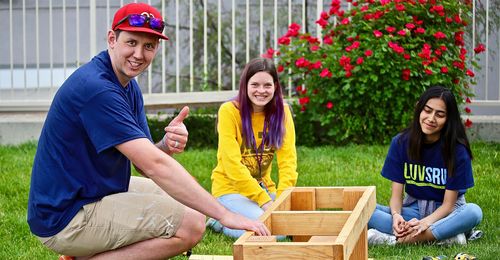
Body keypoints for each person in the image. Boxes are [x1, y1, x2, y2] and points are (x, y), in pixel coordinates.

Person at [27, 3, 270, 259]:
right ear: (112, 39)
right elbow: (155, 166)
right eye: (131, 42)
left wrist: (165, 144)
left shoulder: (126, 85)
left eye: (149, 46)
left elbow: (146, 160)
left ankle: (86, 251)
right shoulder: (97, 89)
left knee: (189, 204)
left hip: (94, 191)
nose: (139, 54)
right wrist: (226, 214)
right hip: (66, 216)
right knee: (192, 225)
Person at [367, 86, 483, 246]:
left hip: (447, 213)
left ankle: (395, 241)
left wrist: (425, 223)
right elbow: (396, 196)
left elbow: (448, 204)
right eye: (427, 111)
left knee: (474, 212)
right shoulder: (401, 143)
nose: (431, 118)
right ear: (419, 109)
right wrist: (396, 216)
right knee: (364, 212)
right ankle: (446, 236)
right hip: (414, 210)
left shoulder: (457, 150)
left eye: (440, 114)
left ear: (448, 119)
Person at [206, 57, 298, 238]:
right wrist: (264, 202)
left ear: (275, 87)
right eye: (255, 84)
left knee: (295, 221)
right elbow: (231, 165)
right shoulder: (229, 111)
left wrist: (281, 200)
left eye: (267, 85)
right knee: (275, 232)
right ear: (245, 85)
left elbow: (288, 162)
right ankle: (220, 221)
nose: (261, 91)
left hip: (264, 189)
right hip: (231, 190)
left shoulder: (283, 112)